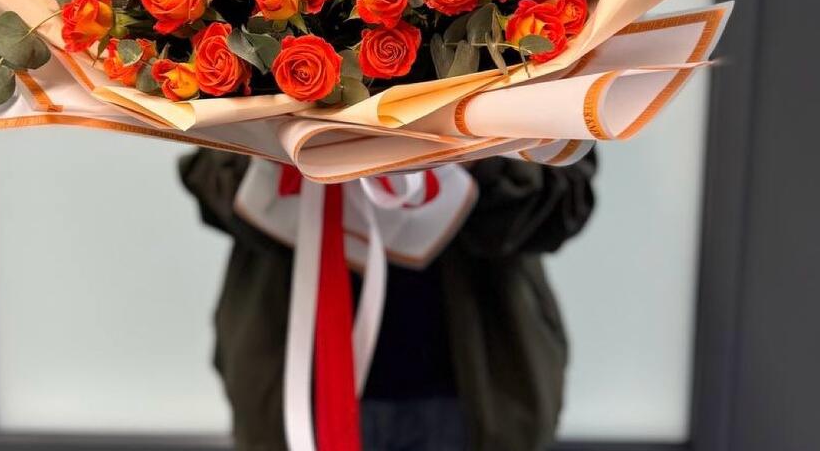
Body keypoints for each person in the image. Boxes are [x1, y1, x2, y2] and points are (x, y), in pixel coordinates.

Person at [180, 150, 597, 451]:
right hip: (287, 394)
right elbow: (208, 176)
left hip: (482, 393)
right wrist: (284, 152)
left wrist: (464, 153)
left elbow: (566, 199)